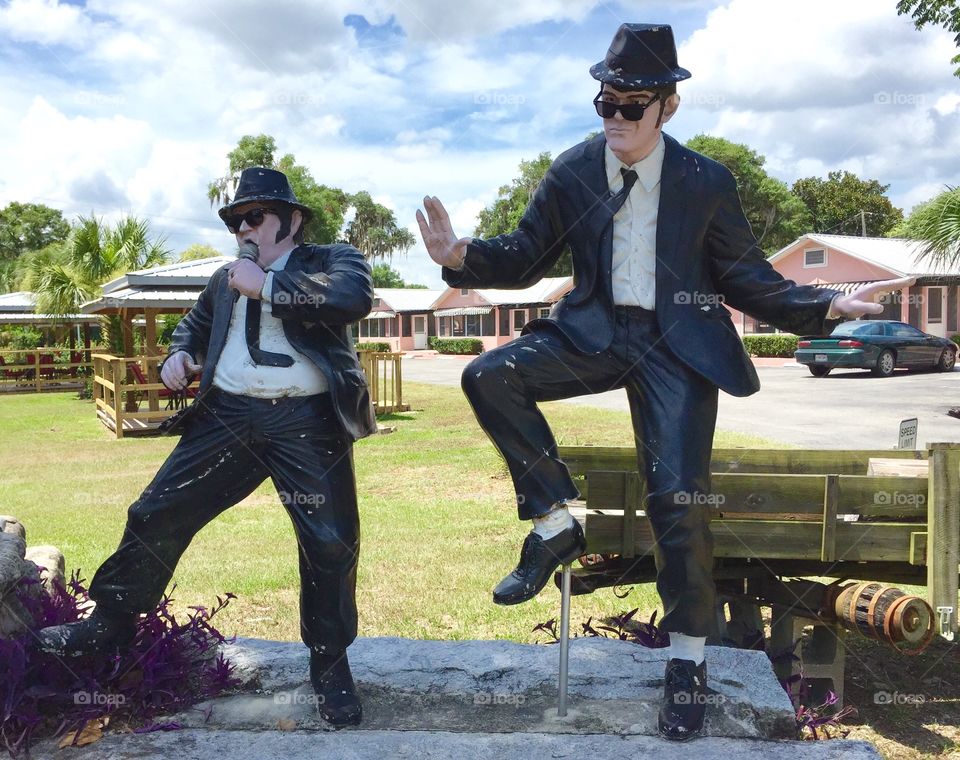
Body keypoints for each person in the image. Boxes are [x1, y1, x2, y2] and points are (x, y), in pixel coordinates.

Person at [416, 23, 912, 741]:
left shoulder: (706, 182)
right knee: (488, 376)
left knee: (678, 501)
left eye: (632, 105)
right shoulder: (572, 172)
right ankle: (556, 524)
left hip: (675, 343)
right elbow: (524, 256)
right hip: (592, 330)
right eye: (605, 103)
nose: (616, 118)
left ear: (668, 107)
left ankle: (687, 663)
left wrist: (825, 304)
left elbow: (745, 276)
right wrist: (461, 258)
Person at [37, 167, 376, 728]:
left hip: (307, 419)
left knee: (332, 539)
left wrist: (266, 284)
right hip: (229, 414)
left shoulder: (330, 261)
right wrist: (180, 354)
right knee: (157, 510)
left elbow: (351, 298)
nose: (244, 227)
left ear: (291, 220)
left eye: (255, 216)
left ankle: (329, 660)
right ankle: (114, 617)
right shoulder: (223, 280)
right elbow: (193, 328)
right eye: (236, 220)